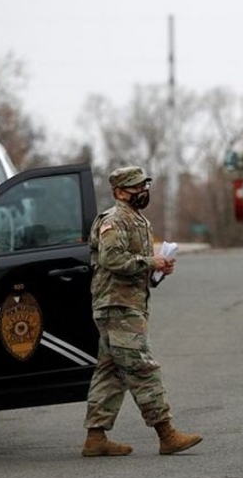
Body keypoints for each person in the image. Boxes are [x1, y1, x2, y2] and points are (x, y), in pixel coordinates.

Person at [82, 165, 203, 457]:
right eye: (135, 187)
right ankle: (166, 433)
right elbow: (112, 260)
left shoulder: (138, 220)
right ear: (119, 192)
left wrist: (158, 270)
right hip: (117, 306)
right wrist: (151, 262)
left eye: (143, 186)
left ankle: (95, 437)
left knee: (111, 372)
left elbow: (134, 264)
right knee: (142, 367)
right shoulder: (114, 220)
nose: (142, 192)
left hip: (129, 304)